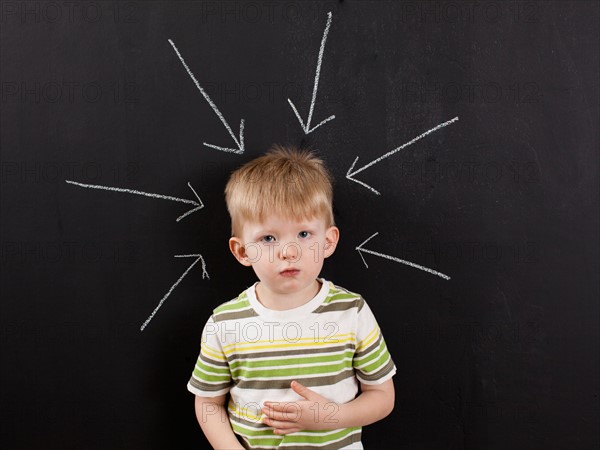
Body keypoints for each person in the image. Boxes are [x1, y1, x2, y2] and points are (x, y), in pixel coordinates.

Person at [187, 145, 396, 449]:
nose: (289, 251)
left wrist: (332, 416)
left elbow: (382, 396)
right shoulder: (226, 323)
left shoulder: (351, 311)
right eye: (269, 238)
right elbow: (207, 403)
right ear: (243, 251)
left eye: (303, 234)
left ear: (328, 241)